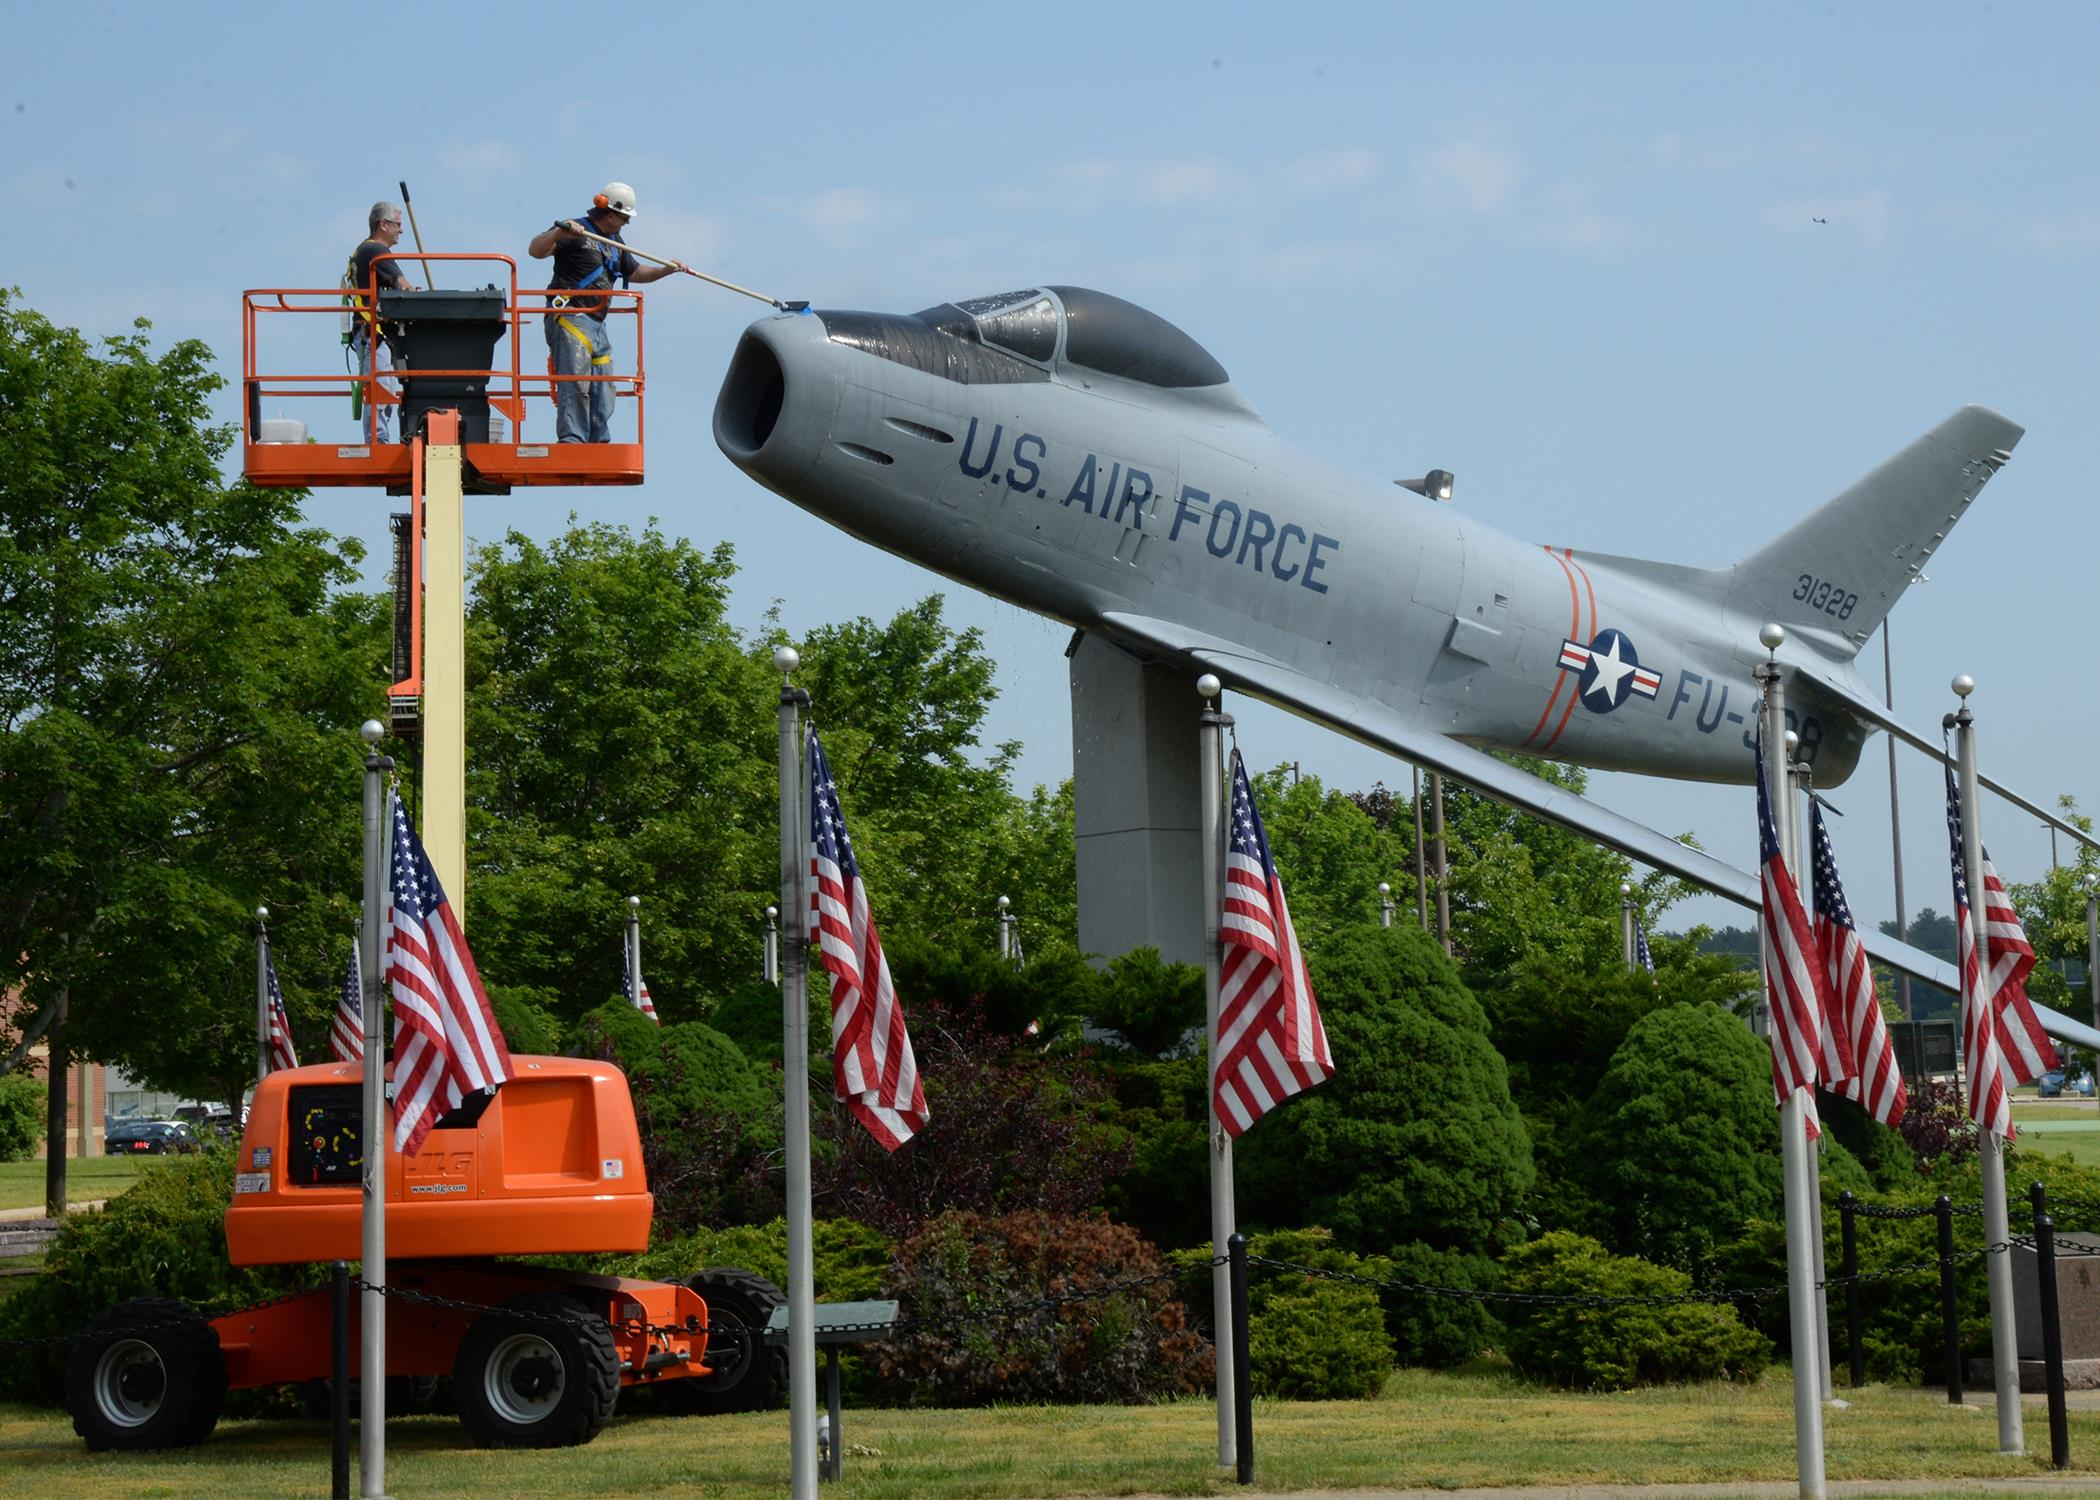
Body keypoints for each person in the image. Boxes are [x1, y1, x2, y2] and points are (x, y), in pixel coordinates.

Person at [527, 181, 683, 443]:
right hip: (570, 315)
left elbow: (634, 272)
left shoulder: (614, 242)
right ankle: (573, 438)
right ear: (610, 214)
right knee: (575, 380)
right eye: (624, 219)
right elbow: (535, 250)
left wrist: (665, 270)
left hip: (597, 323)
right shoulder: (574, 230)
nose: (626, 224)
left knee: (603, 385)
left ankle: (598, 439)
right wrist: (558, 232)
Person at [345, 201, 416, 442]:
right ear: (383, 225)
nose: (401, 230)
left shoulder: (363, 250)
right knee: (382, 388)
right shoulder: (376, 251)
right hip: (373, 332)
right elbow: (402, 285)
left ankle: (379, 438)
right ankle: (378, 440)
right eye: (397, 224)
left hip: (370, 332)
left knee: (383, 387)